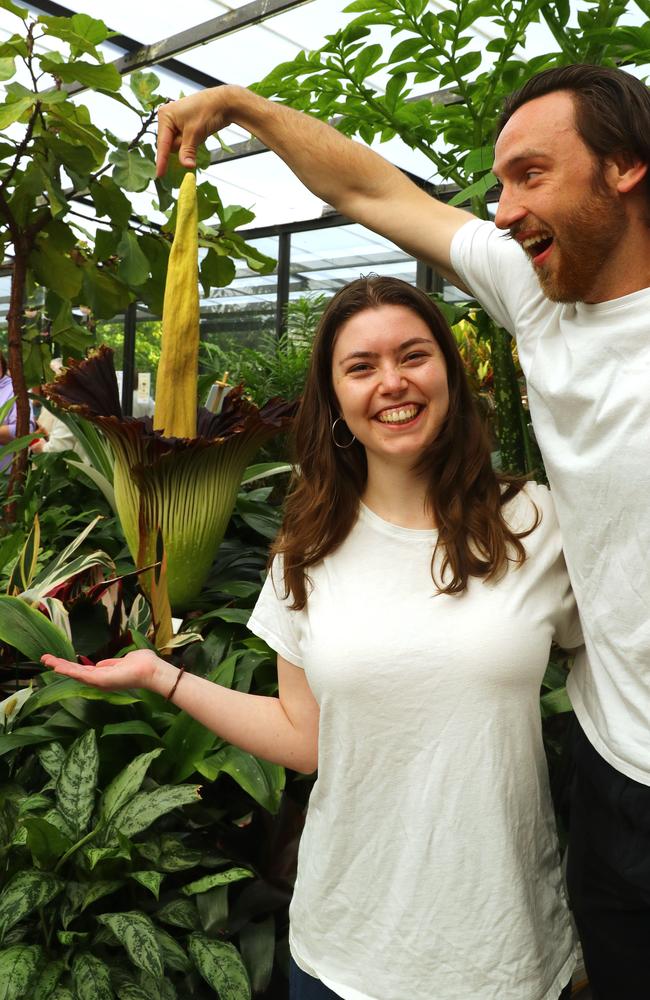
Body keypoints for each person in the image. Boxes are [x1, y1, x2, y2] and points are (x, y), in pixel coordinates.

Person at [153, 63, 650, 998]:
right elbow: (367, 187)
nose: (501, 212)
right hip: (618, 786)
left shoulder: (524, 524)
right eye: (498, 184)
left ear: (625, 167)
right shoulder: (540, 298)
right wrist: (246, 108)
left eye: (529, 176)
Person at [44, 276, 580, 1000]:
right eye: (360, 367)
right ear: (334, 400)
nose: (391, 382)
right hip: (345, 945)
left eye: (413, 356)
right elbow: (306, 737)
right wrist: (160, 676)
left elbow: (620, 670)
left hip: (499, 948)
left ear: (450, 374)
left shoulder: (537, 524)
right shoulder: (307, 547)